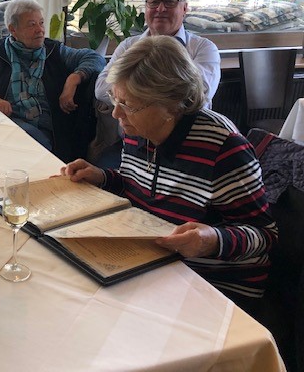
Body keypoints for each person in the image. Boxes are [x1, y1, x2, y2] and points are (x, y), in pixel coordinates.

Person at [61, 36, 277, 309]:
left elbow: (265, 235)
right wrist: (103, 177)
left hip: (214, 284)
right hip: (155, 264)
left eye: (128, 104)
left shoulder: (223, 147)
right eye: (116, 99)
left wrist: (212, 240)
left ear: (171, 104)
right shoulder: (138, 129)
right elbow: (137, 186)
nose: (116, 113)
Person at [0, 0, 106, 162]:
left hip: (49, 129)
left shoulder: (55, 51)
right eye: (32, 25)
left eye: (41, 23)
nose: (40, 30)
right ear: (13, 29)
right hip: (7, 122)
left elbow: (95, 58)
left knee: (23, 144)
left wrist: (74, 79)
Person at [92, 0, 221, 168]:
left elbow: (197, 95)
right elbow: (101, 88)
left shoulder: (204, 48)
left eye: (169, 2)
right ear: (146, 7)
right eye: (153, 2)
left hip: (188, 147)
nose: (160, 8)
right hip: (132, 145)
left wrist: (133, 88)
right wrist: (159, 91)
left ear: (184, 8)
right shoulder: (128, 45)